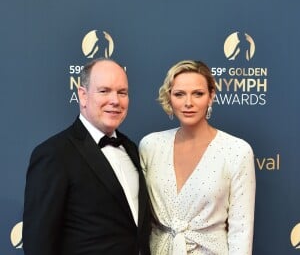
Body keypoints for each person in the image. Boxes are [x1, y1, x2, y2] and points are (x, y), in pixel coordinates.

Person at [23, 58, 151, 255]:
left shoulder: (132, 148)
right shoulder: (54, 153)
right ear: (83, 96)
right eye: (104, 91)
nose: (115, 100)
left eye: (122, 92)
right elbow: (39, 244)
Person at [139, 60, 256, 254]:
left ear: (211, 96)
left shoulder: (236, 150)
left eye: (198, 94)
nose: (188, 103)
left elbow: (241, 230)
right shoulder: (151, 146)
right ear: (170, 97)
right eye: (179, 94)